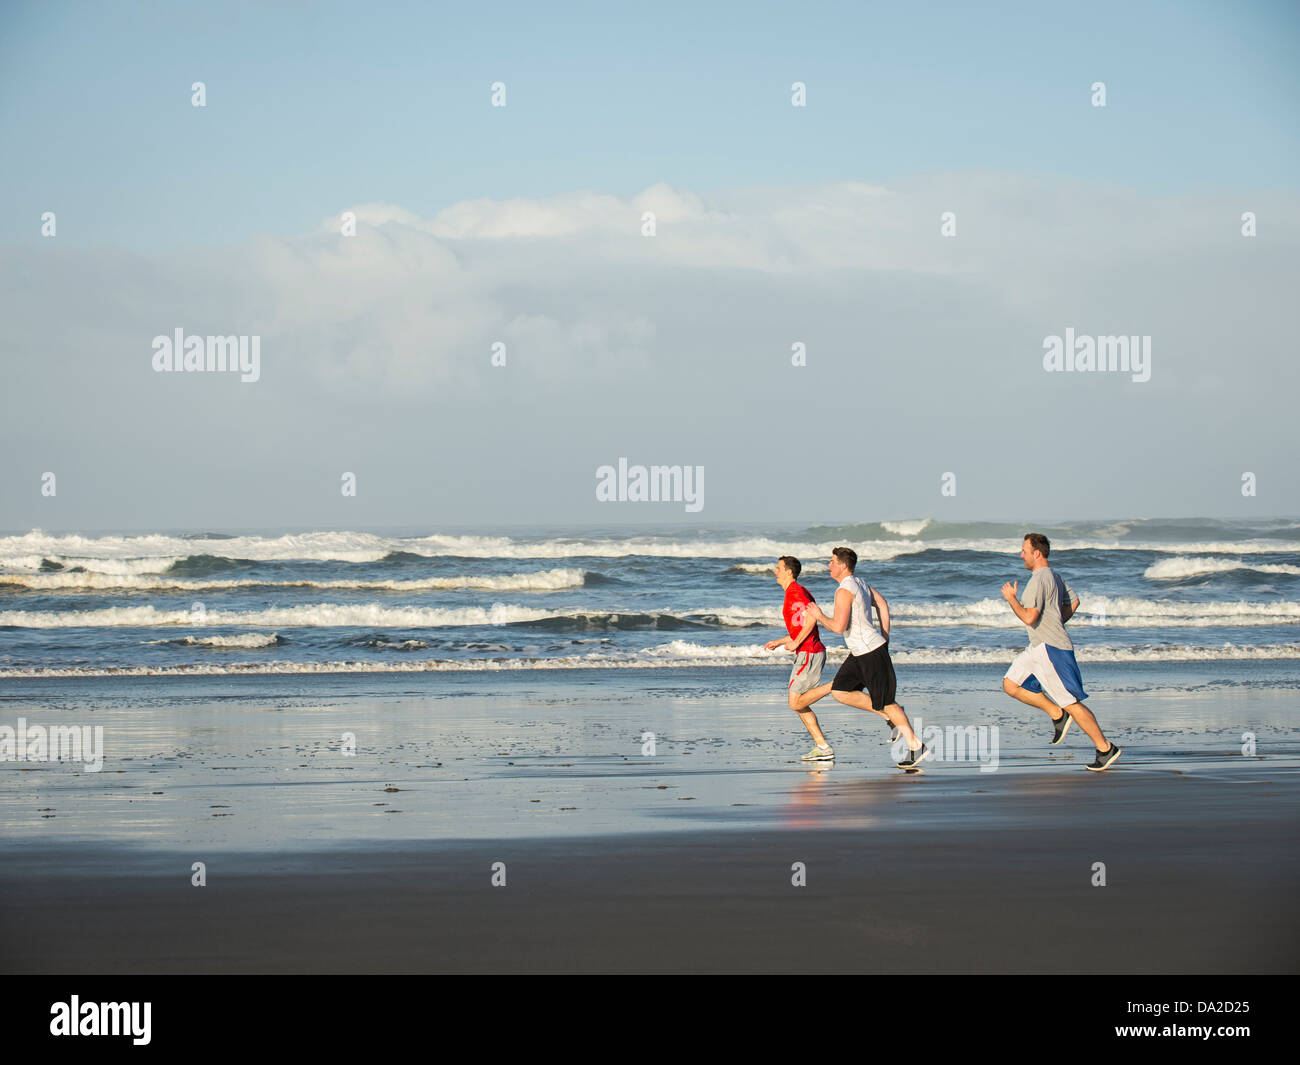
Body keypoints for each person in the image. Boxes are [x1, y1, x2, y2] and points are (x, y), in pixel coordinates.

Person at [1001, 532, 1121, 771]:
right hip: (1037, 647)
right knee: (1010, 684)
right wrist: (1056, 620)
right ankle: (1056, 714)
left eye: (1024, 551)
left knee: (1071, 702)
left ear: (1036, 553)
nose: (1020, 555)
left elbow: (1028, 617)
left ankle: (1106, 748)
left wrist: (1011, 599)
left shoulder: (1037, 580)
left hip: (1050, 649)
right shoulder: (1054, 576)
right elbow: (1074, 601)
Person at [803, 546, 929, 769]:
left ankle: (915, 745)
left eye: (832, 562)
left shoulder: (844, 590)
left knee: (888, 702)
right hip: (861, 652)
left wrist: (819, 615)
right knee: (840, 691)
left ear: (842, 566)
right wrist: (885, 635)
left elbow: (838, 626)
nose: (828, 565)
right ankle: (889, 715)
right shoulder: (859, 583)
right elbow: (882, 603)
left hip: (870, 653)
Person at [764, 556, 835, 761]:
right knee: (799, 703)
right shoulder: (792, 593)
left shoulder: (795, 591)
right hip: (807, 652)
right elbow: (800, 626)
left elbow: (813, 617)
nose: (775, 571)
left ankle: (838, 684)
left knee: (795, 703)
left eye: (778, 568)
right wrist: (780, 641)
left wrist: (796, 644)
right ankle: (822, 747)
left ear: (789, 571)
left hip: (809, 652)